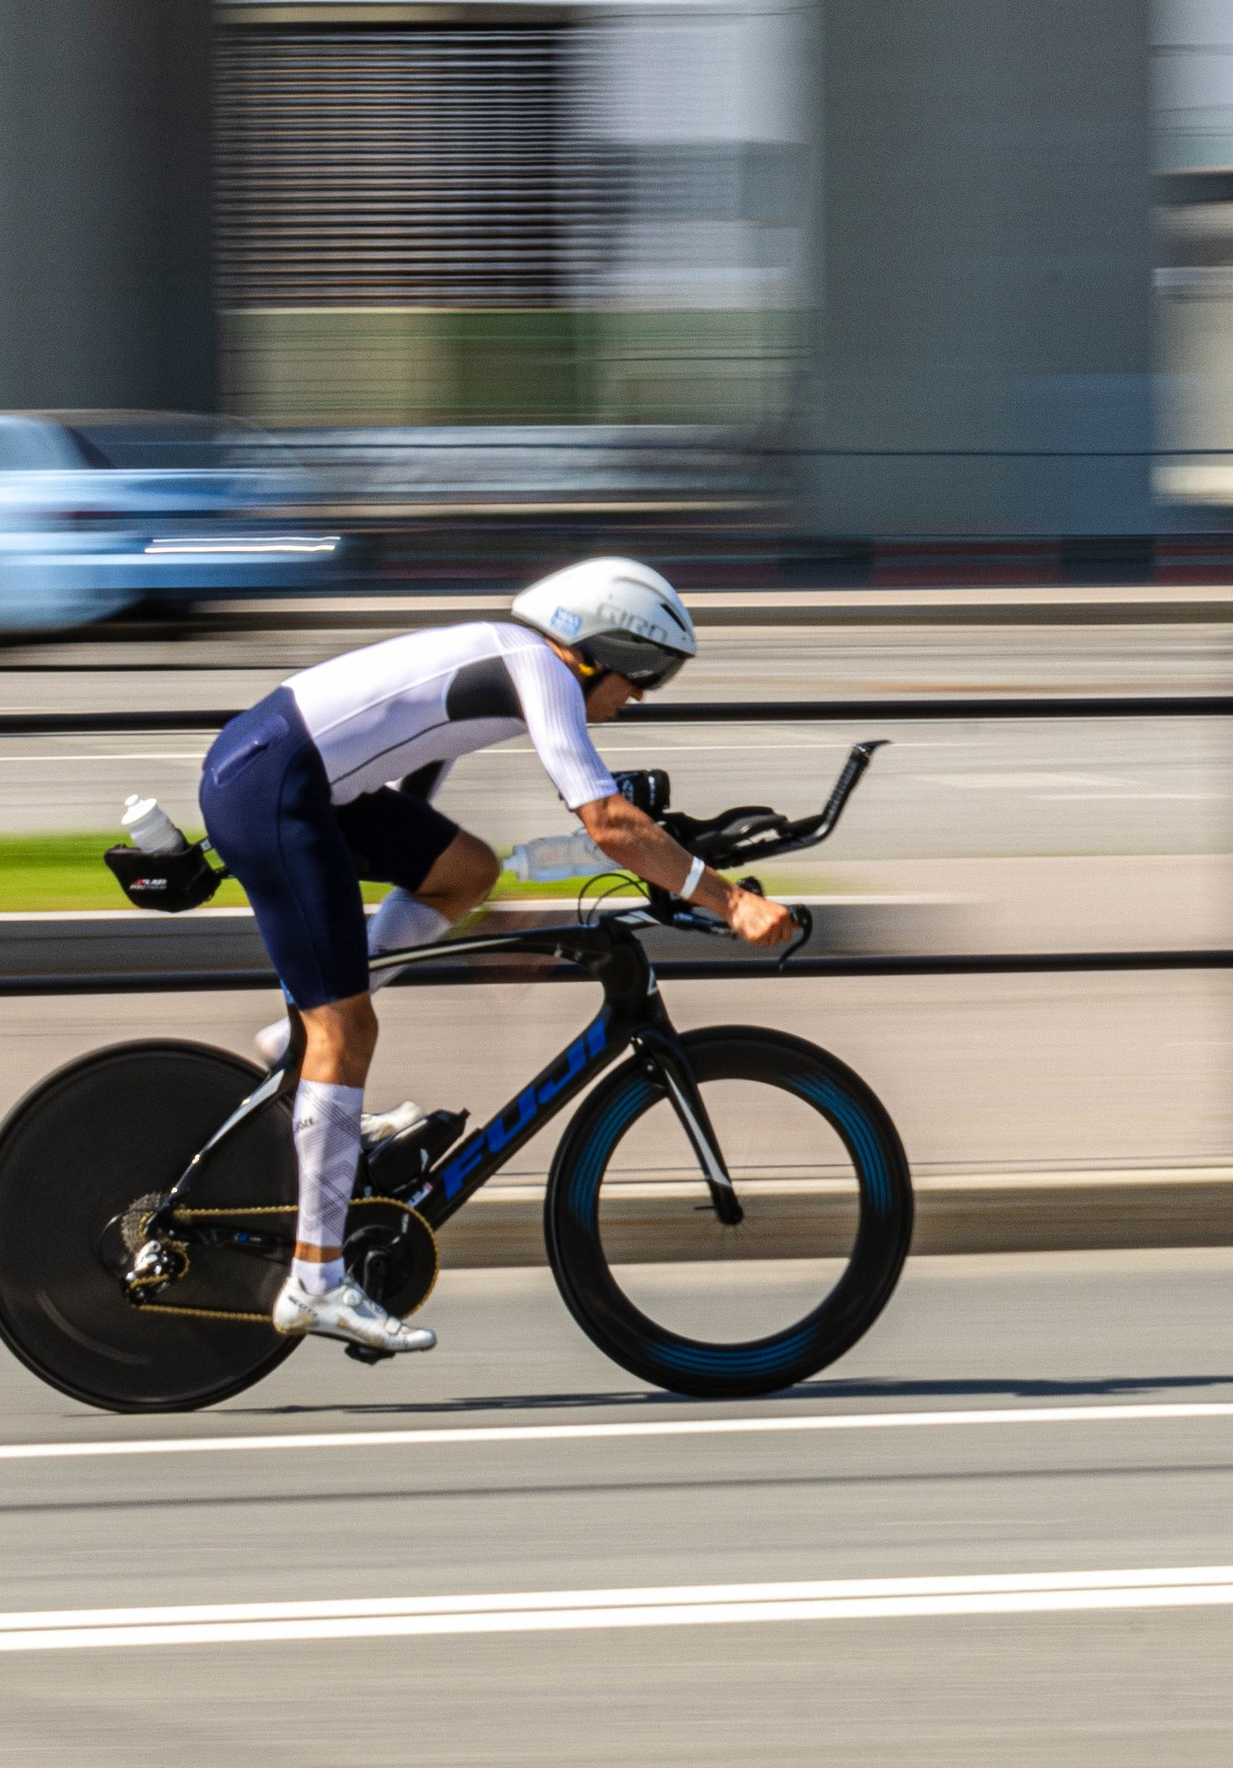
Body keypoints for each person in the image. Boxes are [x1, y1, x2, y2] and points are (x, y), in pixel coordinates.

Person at [196, 555, 797, 1355]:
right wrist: (733, 901)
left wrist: (472, 897)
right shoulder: (539, 670)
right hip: (274, 788)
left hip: (282, 774)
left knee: (467, 872)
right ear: (595, 649)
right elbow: (608, 823)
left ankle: (292, 1050)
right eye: (643, 672)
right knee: (348, 1030)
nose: (642, 694)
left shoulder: (500, 658)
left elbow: (416, 762)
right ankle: (315, 1282)